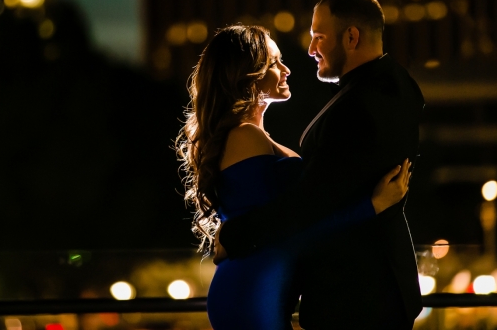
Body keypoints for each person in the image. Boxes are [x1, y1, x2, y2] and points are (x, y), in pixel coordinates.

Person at [176, 23, 413, 329]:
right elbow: (294, 223)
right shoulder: (245, 136)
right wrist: (371, 206)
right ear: (247, 75)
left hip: (256, 284)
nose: (286, 69)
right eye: (274, 63)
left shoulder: (248, 136)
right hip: (253, 289)